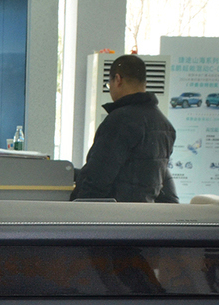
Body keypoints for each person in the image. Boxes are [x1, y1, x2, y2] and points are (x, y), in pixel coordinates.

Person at [72, 54, 178, 203]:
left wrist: (77, 207)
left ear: (118, 79)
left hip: (113, 213)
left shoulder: (120, 120)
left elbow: (98, 177)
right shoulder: (165, 125)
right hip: (143, 212)